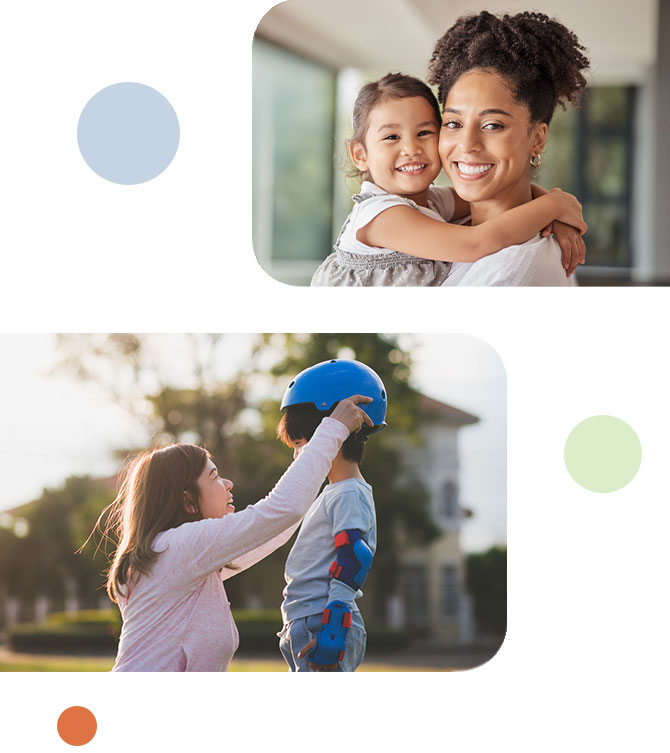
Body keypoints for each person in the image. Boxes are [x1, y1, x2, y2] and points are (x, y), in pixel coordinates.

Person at [88, 394, 373, 672]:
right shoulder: (178, 547)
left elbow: (275, 528)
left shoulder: (179, 558)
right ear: (187, 500)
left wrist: (309, 452)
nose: (228, 483)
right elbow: (280, 512)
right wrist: (333, 429)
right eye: (213, 476)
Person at [311, 72, 586, 287]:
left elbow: (499, 196)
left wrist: (556, 205)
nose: (411, 149)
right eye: (392, 137)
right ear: (360, 154)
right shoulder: (380, 216)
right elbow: (477, 242)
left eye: (424, 133)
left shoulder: (433, 201)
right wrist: (554, 207)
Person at [428, 10, 591, 287]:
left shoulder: (513, 270)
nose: (467, 144)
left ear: (537, 139)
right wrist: (553, 204)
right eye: (453, 123)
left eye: (492, 125)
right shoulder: (445, 219)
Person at [276, 359, 386, 671]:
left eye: (300, 443)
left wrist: (334, 629)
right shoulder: (336, 492)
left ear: (333, 433)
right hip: (310, 621)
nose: (297, 454)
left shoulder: (349, 492)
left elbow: (354, 557)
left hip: (324, 624)